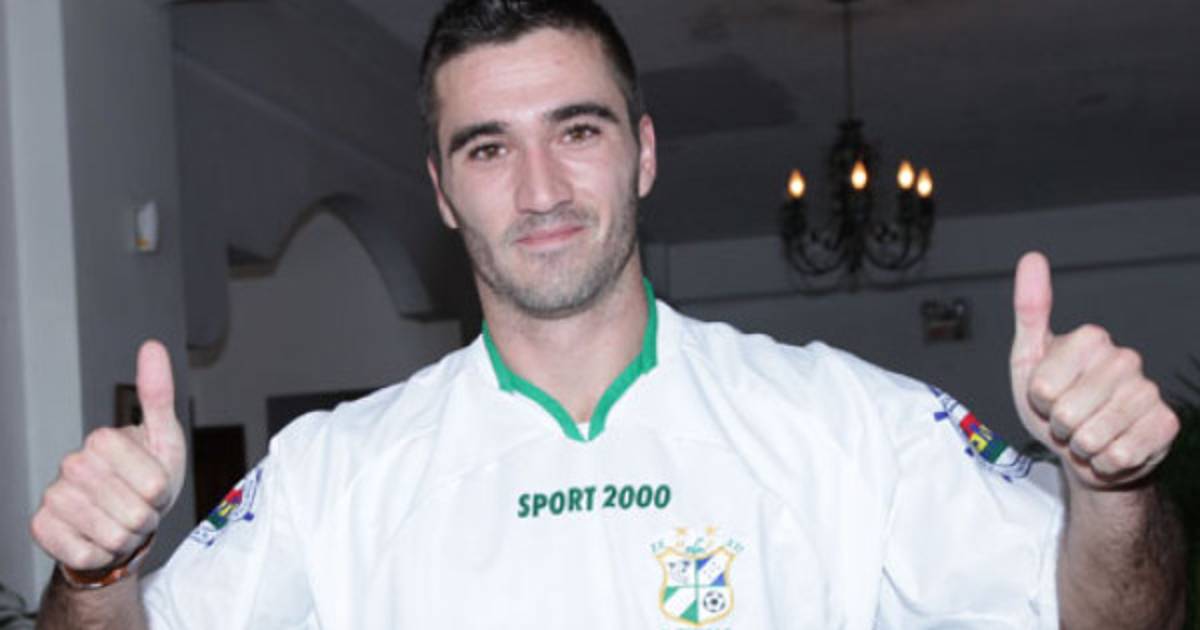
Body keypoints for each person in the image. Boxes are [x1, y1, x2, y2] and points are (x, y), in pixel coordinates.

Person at [31, 0, 1185, 627]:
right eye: (489, 148)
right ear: (442, 191)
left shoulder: (846, 422)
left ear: (641, 153)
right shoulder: (330, 473)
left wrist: (1113, 491)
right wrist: (96, 578)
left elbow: (1114, 620)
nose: (539, 191)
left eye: (576, 132)